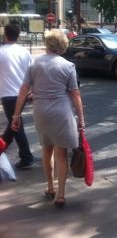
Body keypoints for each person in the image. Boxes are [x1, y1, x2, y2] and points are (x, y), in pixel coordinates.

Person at [12, 29, 85, 208]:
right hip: (61, 112)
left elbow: (23, 91)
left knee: (46, 150)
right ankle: (60, 194)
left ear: (47, 44)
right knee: (61, 153)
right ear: (62, 46)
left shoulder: (34, 65)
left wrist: (16, 115)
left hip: (41, 112)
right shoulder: (68, 66)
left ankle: (50, 186)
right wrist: (81, 118)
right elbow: (75, 94)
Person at [0, 22, 35, 168]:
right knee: (13, 124)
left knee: (15, 125)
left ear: (5, 34)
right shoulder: (24, 52)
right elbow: (32, 72)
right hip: (23, 94)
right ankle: (7, 148)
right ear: (18, 35)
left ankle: (26, 157)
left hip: (8, 94)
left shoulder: (1, 52)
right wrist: (32, 90)